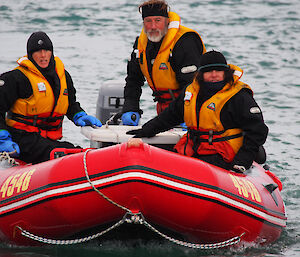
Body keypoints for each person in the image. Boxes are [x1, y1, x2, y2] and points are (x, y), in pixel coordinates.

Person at [127, 50, 268, 172]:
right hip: (194, 149)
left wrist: (243, 160)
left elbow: (257, 130)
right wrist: (146, 130)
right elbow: (170, 116)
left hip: (223, 154)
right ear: (201, 74)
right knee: (163, 163)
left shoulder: (239, 96)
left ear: (226, 73)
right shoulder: (191, 92)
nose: (214, 75)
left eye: (218, 71)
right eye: (208, 71)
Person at [0, 31, 102, 164]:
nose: (43, 55)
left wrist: (79, 115)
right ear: (31, 55)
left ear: (51, 52)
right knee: (65, 152)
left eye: (46, 50)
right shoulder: (16, 78)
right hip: (22, 139)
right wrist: (3, 138)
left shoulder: (63, 76)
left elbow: (70, 105)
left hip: (49, 140)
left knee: (71, 150)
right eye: (38, 51)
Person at [121, 0, 206, 126]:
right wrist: (130, 108)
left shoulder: (185, 41)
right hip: (164, 110)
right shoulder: (141, 44)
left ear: (167, 21)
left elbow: (193, 86)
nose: (153, 26)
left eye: (158, 20)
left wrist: (185, 114)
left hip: (193, 109)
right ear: (143, 23)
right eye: (148, 21)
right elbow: (133, 80)